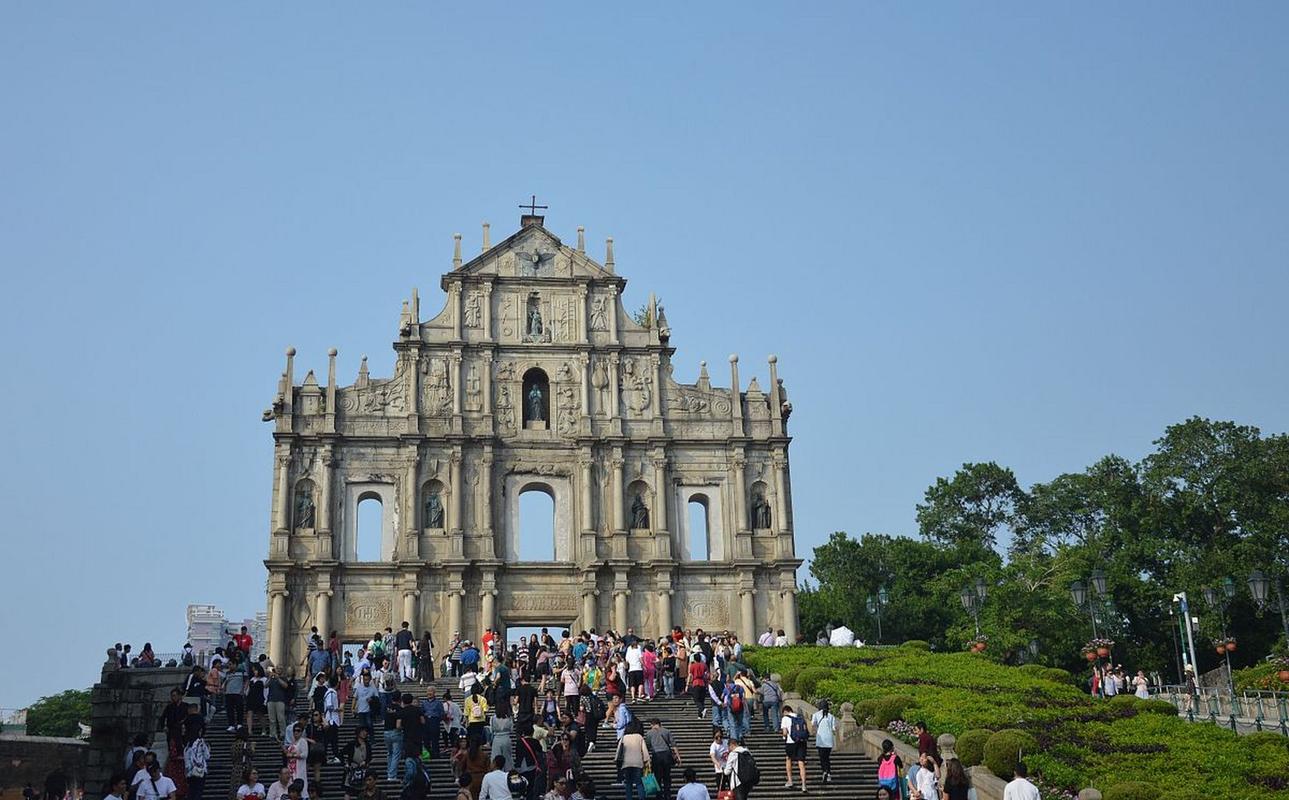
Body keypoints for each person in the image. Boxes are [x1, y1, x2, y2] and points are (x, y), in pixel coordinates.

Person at [645, 718, 681, 800]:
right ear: (659, 723)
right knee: (667, 776)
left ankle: (659, 795)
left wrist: (646, 759)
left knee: (657, 776)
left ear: (652, 724)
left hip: (656, 755)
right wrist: (678, 757)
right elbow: (673, 745)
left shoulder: (649, 733)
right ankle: (667, 794)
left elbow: (647, 746)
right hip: (667, 755)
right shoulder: (666, 731)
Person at [615, 720, 651, 800]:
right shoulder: (639, 737)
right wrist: (647, 760)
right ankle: (642, 798)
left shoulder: (624, 738)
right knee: (639, 783)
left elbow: (619, 750)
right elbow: (644, 750)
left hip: (626, 763)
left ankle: (629, 798)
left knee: (628, 783)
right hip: (638, 763)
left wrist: (617, 760)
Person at [399, 693, 425, 786]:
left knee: (409, 758)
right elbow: (423, 721)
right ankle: (418, 777)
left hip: (407, 738)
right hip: (417, 736)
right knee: (418, 757)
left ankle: (408, 780)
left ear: (403, 701)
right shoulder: (418, 710)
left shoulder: (402, 711)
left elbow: (398, 725)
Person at [779, 706, 808, 792]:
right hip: (802, 742)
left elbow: (784, 733)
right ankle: (803, 785)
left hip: (791, 742)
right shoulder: (800, 717)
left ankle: (790, 780)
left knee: (788, 759)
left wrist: (784, 736)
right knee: (801, 762)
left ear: (785, 711)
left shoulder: (785, 718)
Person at [342, 726, 372, 800]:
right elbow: (341, 753)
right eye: (362, 731)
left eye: (365, 731)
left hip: (363, 770)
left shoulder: (367, 744)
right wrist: (345, 763)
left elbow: (370, 756)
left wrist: (365, 762)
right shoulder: (352, 744)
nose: (364, 733)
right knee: (348, 791)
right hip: (352, 769)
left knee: (363, 791)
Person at [810, 700, 836, 783]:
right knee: (827, 758)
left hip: (821, 740)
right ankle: (828, 774)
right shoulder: (831, 716)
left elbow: (813, 725)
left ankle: (824, 771)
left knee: (822, 758)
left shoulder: (816, 715)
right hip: (829, 740)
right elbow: (834, 729)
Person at [184, 725, 211, 800]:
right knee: (198, 791)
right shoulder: (201, 743)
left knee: (191, 791)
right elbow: (207, 756)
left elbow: (186, 759)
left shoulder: (187, 744)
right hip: (200, 770)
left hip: (190, 771)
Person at [284, 722, 310, 798]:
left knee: (299, 785)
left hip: (298, 768)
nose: (296, 732)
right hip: (291, 768)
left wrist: (293, 755)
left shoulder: (303, 741)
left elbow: (305, 754)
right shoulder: (292, 742)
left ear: (301, 732)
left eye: (298, 731)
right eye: (294, 730)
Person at [230, 726, 257, 800]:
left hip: (236, 768)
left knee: (235, 787)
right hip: (245, 769)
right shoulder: (246, 744)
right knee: (245, 788)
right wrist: (253, 747)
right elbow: (251, 754)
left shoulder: (233, 745)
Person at [383, 693, 404, 782]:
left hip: (386, 732)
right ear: (400, 699)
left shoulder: (387, 707)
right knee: (396, 754)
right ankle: (392, 775)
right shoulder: (399, 709)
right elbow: (398, 725)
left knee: (390, 753)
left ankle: (389, 771)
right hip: (395, 732)